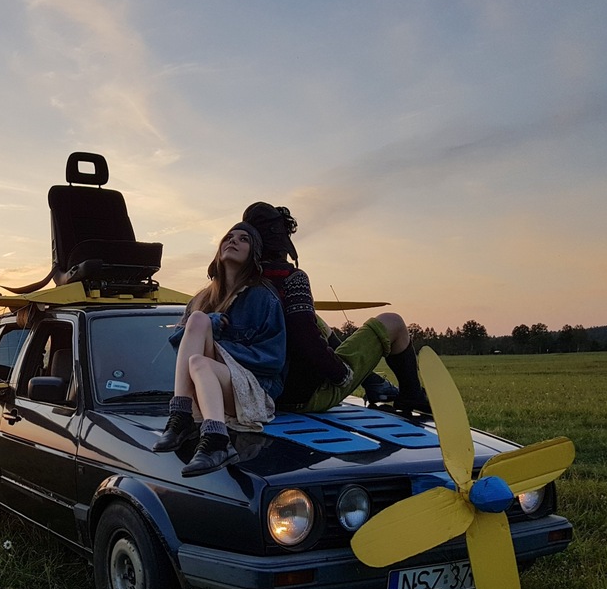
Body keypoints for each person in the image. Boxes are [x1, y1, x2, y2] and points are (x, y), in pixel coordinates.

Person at [242, 202, 430, 414]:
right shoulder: (292, 279)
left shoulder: (236, 283)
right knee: (393, 322)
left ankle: (373, 382)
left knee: (312, 317)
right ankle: (412, 396)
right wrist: (341, 375)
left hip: (258, 394)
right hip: (305, 396)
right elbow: (305, 338)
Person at [153, 221, 287, 477]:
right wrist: (208, 323)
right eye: (228, 237)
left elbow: (273, 359)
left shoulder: (263, 298)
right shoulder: (201, 299)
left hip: (254, 391)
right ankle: (187, 420)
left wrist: (220, 346)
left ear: (253, 254)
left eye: (243, 239)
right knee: (198, 333)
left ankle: (209, 436)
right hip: (209, 387)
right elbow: (179, 345)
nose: (233, 241)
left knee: (201, 350)